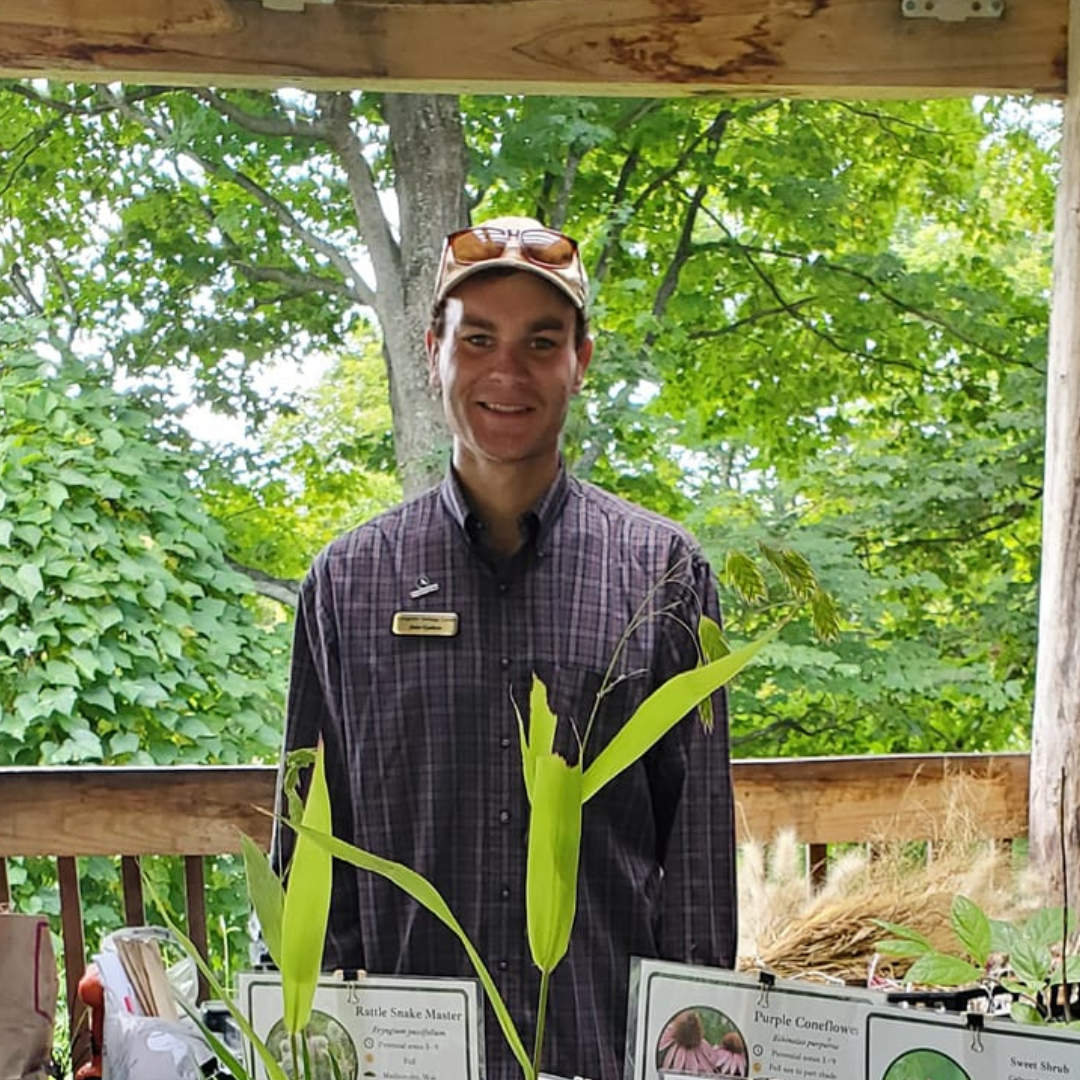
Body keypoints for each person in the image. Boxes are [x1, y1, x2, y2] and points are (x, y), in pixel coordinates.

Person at [276, 215, 736, 1080]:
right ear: (433, 351)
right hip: (403, 1060)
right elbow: (307, 847)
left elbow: (700, 860)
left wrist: (697, 1043)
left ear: (581, 361)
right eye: (478, 337)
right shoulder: (347, 582)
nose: (506, 372)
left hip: (598, 1050)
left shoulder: (662, 572)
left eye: (541, 341)